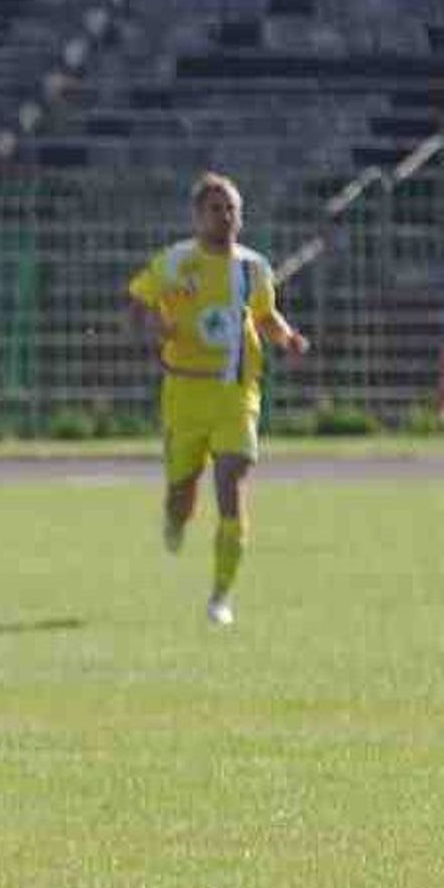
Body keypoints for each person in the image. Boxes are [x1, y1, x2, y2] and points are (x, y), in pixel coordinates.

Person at [127, 172, 309, 626]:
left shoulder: (254, 268)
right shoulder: (174, 263)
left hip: (236, 392)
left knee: (231, 484)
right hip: (185, 395)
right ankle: (174, 518)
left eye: (231, 208)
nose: (224, 216)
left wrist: (286, 339)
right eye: (215, 208)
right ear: (197, 216)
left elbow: (265, 316)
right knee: (182, 496)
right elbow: (137, 302)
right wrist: (154, 326)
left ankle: (220, 597)